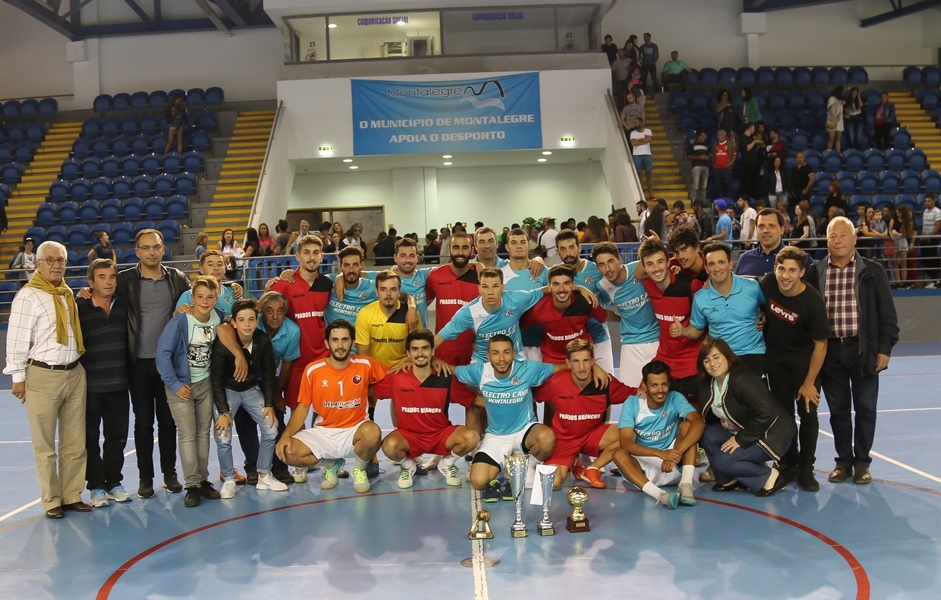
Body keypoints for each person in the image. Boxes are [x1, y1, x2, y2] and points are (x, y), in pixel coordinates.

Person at [804, 216, 899, 484]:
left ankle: (862, 464)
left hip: (864, 351)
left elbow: (888, 316)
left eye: (843, 235)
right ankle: (843, 462)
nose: (838, 240)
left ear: (854, 239)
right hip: (830, 352)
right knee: (839, 412)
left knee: (866, 409)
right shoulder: (815, 271)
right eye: (833, 236)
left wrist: (885, 349)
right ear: (827, 240)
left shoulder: (872, 271)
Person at [4, 241, 90, 519]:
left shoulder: (66, 293)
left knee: (75, 442)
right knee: (44, 444)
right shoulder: (27, 296)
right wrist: (18, 377)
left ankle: (71, 494)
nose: (56, 265)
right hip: (43, 374)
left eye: (61, 260)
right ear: (38, 264)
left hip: (75, 373)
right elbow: (16, 339)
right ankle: (51, 500)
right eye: (50, 260)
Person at [117, 229, 192, 498]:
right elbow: (101, 291)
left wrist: (233, 288)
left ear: (163, 250)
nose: (151, 252)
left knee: (168, 422)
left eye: (156, 247)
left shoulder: (178, 279)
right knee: (143, 422)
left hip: (169, 365)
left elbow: (202, 298)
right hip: (138, 363)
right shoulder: (124, 280)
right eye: (145, 248)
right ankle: (145, 478)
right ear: (136, 252)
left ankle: (170, 474)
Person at [276, 320, 386, 494]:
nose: (340, 345)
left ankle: (358, 469)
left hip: (355, 430)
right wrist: (286, 435)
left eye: (345, 339)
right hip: (324, 432)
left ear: (352, 342)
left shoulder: (366, 365)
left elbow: (393, 380)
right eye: (335, 340)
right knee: (287, 451)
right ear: (327, 343)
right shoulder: (313, 370)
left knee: (373, 433)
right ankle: (331, 465)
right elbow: (303, 407)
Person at [455, 336, 560, 501]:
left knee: (546, 438)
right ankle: (507, 467)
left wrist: (593, 368)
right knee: (478, 481)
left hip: (524, 430)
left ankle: (528, 467)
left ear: (514, 353)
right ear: (488, 356)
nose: (502, 358)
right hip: (496, 437)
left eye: (506, 352)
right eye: (495, 353)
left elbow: (559, 368)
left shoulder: (527, 369)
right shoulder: (479, 371)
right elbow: (450, 371)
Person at [760, 246, 829, 491]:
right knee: (784, 417)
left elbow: (821, 345)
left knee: (808, 414)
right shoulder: (768, 284)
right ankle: (789, 463)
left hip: (803, 362)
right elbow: (747, 288)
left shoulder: (812, 302)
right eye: (781, 269)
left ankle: (807, 468)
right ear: (775, 269)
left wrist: (810, 382)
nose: (785, 276)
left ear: (801, 272)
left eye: (792, 270)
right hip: (776, 361)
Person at [374, 329, 480, 489]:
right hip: (410, 437)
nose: (420, 353)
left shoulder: (445, 377)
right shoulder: (397, 377)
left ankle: (447, 463)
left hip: (440, 434)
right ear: (408, 353)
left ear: (432, 351)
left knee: (471, 437)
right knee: (389, 446)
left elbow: (474, 400)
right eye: (415, 349)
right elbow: (367, 388)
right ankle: (408, 465)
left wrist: (510, 399)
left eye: (424, 348)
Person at [155, 275, 223, 507]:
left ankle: (203, 480)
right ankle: (192, 484)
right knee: (186, 434)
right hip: (181, 385)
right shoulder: (181, 321)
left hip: (205, 384)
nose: (205, 301)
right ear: (192, 298)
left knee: (203, 433)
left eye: (210, 296)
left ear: (216, 298)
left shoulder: (219, 318)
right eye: (200, 296)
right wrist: (174, 384)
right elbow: (162, 354)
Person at [698, 337, 795, 496]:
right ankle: (729, 479)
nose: (712, 363)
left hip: (772, 433)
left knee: (723, 461)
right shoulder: (711, 381)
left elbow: (766, 413)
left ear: (727, 356)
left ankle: (769, 475)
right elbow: (685, 384)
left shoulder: (742, 379)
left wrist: (741, 439)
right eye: (706, 360)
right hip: (744, 429)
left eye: (716, 357)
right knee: (708, 436)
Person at [210, 299, 287, 499]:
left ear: (256, 321)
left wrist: (269, 404)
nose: (247, 324)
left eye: (251, 319)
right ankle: (228, 479)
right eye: (242, 320)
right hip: (227, 390)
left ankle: (264, 474)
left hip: (251, 389)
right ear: (233, 323)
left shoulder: (262, 340)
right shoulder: (224, 343)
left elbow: (270, 373)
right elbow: (216, 379)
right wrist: (223, 411)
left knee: (271, 427)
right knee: (223, 434)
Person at [534, 340, 635, 490]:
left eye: (586, 361)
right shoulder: (556, 382)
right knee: (553, 484)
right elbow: (530, 396)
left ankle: (592, 469)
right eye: (576, 361)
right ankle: (574, 462)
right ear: (568, 363)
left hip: (592, 436)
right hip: (563, 441)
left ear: (593, 362)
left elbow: (635, 396)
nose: (581, 368)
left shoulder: (605, 382)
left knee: (629, 435)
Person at [612, 360, 706, 508]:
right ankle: (661, 496)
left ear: (669, 384)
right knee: (618, 454)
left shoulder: (675, 397)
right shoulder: (632, 404)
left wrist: (675, 453)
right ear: (644, 385)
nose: (660, 390)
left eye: (664, 384)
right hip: (644, 468)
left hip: (673, 462)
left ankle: (686, 485)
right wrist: (659, 453)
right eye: (654, 385)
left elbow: (699, 423)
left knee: (688, 425)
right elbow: (625, 443)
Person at [77, 259, 132, 508]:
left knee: (117, 438)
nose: (108, 281)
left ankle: (114, 482)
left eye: (111, 276)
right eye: (102, 277)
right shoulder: (79, 307)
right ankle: (96, 486)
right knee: (90, 439)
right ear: (91, 282)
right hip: (90, 387)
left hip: (120, 385)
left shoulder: (124, 306)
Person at [672, 242, 768, 375]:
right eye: (711, 264)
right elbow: (697, 330)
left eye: (721, 262)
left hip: (753, 354)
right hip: (720, 358)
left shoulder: (752, 287)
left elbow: (769, 309)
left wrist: (765, 315)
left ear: (730, 264)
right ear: (706, 268)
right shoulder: (700, 297)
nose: (717, 268)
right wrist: (682, 331)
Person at [638, 239, 704, 397]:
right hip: (664, 356)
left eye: (660, 262)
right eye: (650, 264)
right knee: (642, 395)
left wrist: (684, 331)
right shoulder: (647, 284)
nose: (656, 268)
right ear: (645, 268)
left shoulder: (692, 286)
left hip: (691, 357)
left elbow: (707, 320)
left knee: (693, 411)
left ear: (669, 262)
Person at [591, 242, 660, 387]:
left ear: (620, 259)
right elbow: (601, 311)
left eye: (610, 261)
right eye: (602, 265)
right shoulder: (602, 286)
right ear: (597, 268)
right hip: (631, 346)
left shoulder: (639, 269)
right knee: (631, 396)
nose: (608, 269)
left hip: (657, 341)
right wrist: (620, 319)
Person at [256, 291, 301, 484]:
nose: (275, 316)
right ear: (261, 312)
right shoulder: (252, 322)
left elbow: (287, 364)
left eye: (280, 311)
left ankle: (280, 468)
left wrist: (276, 394)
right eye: (269, 311)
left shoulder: (292, 331)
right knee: (245, 424)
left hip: (271, 379)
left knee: (277, 420)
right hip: (244, 378)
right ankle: (252, 468)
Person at [356, 270, 420, 370]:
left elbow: (417, 350)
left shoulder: (411, 315)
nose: (388, 294)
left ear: (399, 292)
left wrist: (400, 369)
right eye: (383, 289)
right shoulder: (365, 313)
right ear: (377, 292)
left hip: (403, 368)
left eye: (393, 289)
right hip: (375, 370)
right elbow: (362, 355)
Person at [736, 208, 787, 277]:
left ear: (782, 230)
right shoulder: (744, 259)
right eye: (761, 226)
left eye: (771, 226)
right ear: (756, 230)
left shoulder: (798, 258)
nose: (766, 230)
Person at [891, 204, 915, 288]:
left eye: (899, 213)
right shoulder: (893, 220)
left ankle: (903, 282)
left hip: (903, 241)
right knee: (895, 262)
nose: (898, 215)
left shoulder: (908, 221)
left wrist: (899, 234)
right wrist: (892, 236)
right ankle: (898, 282)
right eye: (897, 213)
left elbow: (908, 234)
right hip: (894, 242)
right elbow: (890, 230)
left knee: (903, 262)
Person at [630, 116, 654, 199]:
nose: (635, 124)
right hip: (637, 155)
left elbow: (649, 139)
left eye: (636, 122)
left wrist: (639, 140)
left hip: (647, 154)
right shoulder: (633, 133)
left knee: (648, 175)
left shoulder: (648, 130)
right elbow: (633, 142)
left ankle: (651, 194)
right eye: (634, 122)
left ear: (641, 122)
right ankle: (640, 194)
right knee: (639, 175)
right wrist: (644, 139)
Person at [920, 194, 941, 288]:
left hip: (933, 239)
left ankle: (935, 280)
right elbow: (925, 225)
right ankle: (933, 279)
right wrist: (923, 235)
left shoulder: (937, 211)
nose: (927, 203)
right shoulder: (925, 212)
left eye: (929, 201)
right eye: (926, 201)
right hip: (925, 239)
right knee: (925, 259)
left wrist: (931, 236)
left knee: (932, 259)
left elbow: (938, 226)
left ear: (934, 201)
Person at [739, 124, 764, 201]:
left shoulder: (750, 138)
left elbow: (753, 151)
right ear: (749, 128)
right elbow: (747, 148)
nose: (754, 129)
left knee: (754, 182)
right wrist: (755, 141)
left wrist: (758, 145)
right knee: (747, 182)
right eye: (753, 127)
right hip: (747, 163)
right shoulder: (743, 137)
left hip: (754, 163)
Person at [712, 129, 737, 200]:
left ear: (724, 136)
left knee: (729, 186)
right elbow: (713, 156)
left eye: (719, 135)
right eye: (717, 135)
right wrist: (714, 164)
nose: (718, 137)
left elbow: (735, 155)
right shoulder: (715, 145)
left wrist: (731, 163)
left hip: (726, 168)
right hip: (718, 169)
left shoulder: (730, 144)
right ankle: (720, 201)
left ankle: (730, 201)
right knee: (719, 187)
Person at [686, 131, 710, 203]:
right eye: (703, 136)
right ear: (698, 137)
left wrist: (707, 157)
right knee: (695, 185)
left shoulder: (706, 146)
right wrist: (699, 157)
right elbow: (688, 156)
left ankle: (703, 200)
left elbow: (709, 155)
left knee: (704, 186)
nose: (704, 138)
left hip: (705, 166)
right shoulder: (692, 145)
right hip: (696, 166)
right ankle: (693, 200)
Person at [826, 86, 846, 151]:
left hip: (839, 121)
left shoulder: (840, 100)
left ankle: (838, 153)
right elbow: (831, 109)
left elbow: (840, 112)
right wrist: (839, 103)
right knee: (831, 139)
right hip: (832, 121)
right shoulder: (831, 98)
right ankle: (828, 153)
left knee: (838, 139)